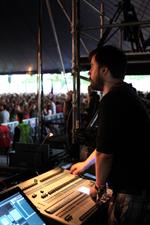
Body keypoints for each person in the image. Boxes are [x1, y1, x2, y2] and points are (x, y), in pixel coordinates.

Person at [70, 45, 150, 225]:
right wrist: (86, 164)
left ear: (104, 70)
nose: (89, 72)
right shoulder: (125, 93)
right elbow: (107, 144)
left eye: (92, 66)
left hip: (130, 192)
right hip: (138, 188)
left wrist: (98, 188)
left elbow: (105, 155)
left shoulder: (112, 100)